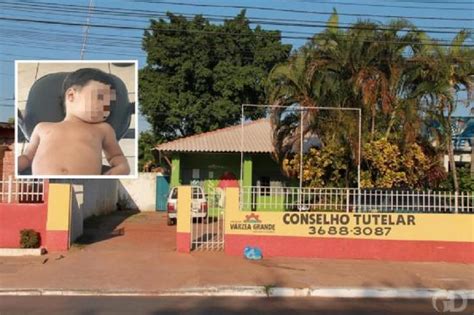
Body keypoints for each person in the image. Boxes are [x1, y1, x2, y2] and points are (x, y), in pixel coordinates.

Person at [18, 68, 130, 176]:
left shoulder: (103, 129)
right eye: (100, 97)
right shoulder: (42, 128)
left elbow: (116, 156)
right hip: (45, 184)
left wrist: (122, 167)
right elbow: (27, 157)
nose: (106, 106)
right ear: (71, 95)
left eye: (110, 103)